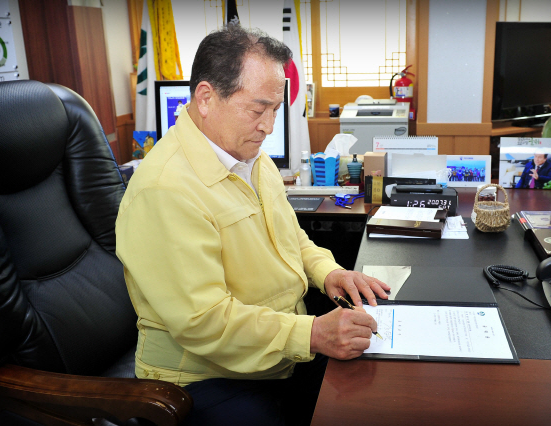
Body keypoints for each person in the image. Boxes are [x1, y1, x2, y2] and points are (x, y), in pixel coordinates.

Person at [115, 25, 390, 426]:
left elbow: (289, 236)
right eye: (257, 109)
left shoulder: (248, 155)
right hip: (201, 375)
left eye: (275, 110)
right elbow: (204, 322)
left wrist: (327, 271)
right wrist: (311, 334)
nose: (268, 126)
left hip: (272, 349)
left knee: (373, 389)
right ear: (206, 98)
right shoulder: (165, 189)